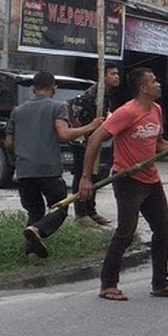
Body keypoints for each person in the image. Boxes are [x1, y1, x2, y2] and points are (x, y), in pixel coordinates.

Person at [78, 68, 168, 301]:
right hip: (127, 180)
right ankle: (108, 284)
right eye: (154, 81)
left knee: (163, 229)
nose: (159, 84)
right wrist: (86, 177)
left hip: (151, 179)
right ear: (143, 88)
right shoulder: (126, 112)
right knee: (125, 233)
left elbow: (158, 145)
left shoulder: (157, 110)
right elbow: (94, 139)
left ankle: (161, 283)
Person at [6, 71, 103, 258]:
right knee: (59, 207)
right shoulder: (58, 107)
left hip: (25, 169)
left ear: (33, 89)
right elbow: (64, 134)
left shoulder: (17, 111)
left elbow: (9, 143)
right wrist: (91, 126)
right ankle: (37, 230)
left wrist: (21, 154)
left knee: (35, 210)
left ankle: (31, 253)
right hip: (48, 169)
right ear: (54, 89)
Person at [66, 63, 121, 227]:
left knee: (94, 174)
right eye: (112, 74)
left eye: (117, 74)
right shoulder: (94, 92)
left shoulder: (106, 95)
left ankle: (91, 210)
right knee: (82, 174)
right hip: (82, 141)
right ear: (103, 76)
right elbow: (68, 104)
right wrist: (79, 127)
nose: (116, 77)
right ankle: (81, 213)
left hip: (94, 140)